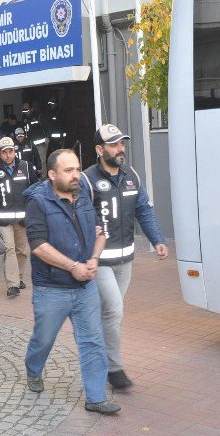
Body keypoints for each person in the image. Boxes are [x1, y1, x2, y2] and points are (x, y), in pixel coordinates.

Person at [23, 149, 120, 415]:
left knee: (92, 340)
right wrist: (72, 266)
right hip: (51, 288)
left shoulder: (84, 197)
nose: (76, 175)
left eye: (77, 169)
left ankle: (96, 397)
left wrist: (95, 259)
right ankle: (33, 369)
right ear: (52, 174)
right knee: (44, 338)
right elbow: (38, 245)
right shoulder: (38, 202)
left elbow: (99, 231)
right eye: (68, 171)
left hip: (85, 286)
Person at [80, 125, 168, 389]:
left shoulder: (132, 176)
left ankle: (96, 354)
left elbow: (144, 210)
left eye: (122, 143)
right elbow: (82, 217)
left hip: (125, 260)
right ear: (99, 149)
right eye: (114, 144)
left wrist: (158, 240)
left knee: (107, 313)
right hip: (100, 261)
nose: (120, 149)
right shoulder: (87, 181)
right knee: (115, 311)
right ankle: (114, 369)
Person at [0, 136, 38, 297]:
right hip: (3, 218)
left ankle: (19, 277)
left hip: (23, 218)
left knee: (22, 251)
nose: (8, 155)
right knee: (9, 248)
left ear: (15, 151)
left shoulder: (27, 167)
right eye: (4, 152)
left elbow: (36, 189)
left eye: (11, 151)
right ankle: (12, 284)